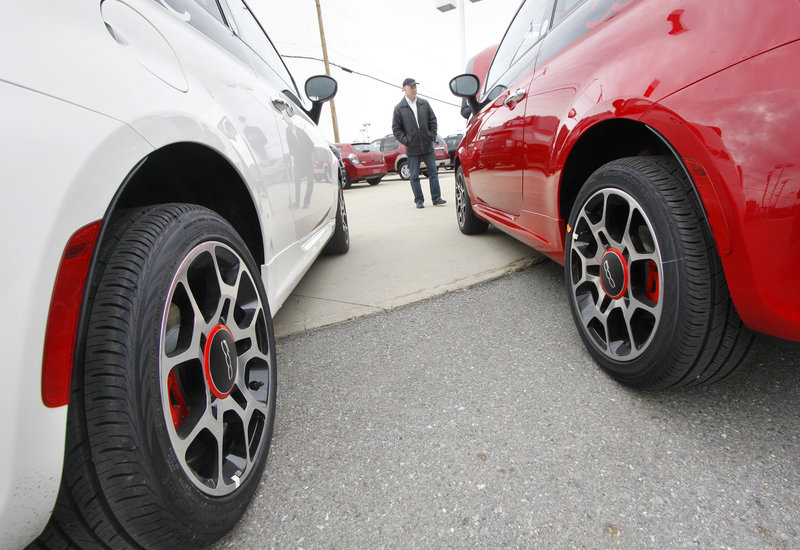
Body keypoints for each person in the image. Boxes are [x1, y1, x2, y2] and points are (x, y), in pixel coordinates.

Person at [392, 78, 446, 208]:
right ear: (404, 89)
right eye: (411, 87)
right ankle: (419, 200)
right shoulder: (399, 108)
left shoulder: (424, 103)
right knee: (414, 175)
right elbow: (396, 129)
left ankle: (436, 198)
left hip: (427, 145)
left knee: (433, 173)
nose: (414, 89)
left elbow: (433, 120)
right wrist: (407, 141)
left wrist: (432, 136)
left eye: (415, 86)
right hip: (412, 148)